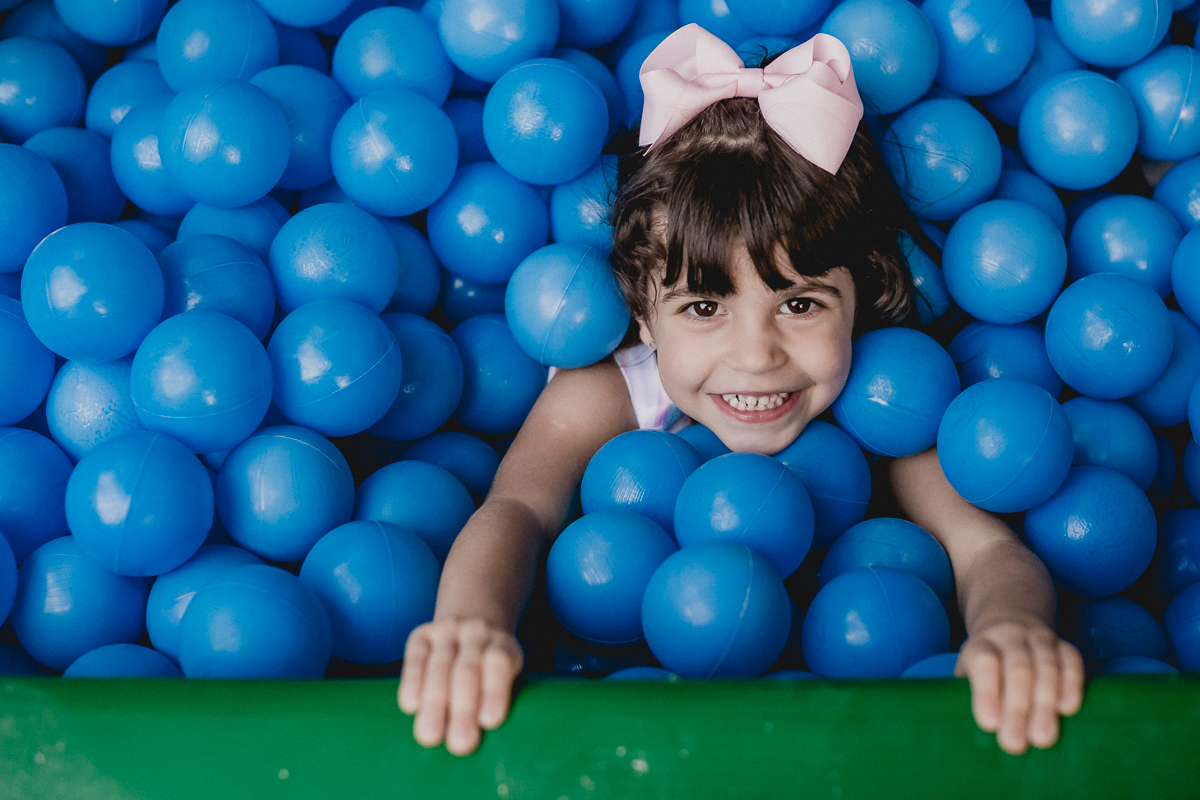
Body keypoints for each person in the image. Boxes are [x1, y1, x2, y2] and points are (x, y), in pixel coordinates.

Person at [398, 23, 1083, 758]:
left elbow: (986, 551)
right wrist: (473, 623)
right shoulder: (608, 394)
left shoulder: (884, 403)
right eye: (702, 307)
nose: (756, 356)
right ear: (642, 313)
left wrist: (1011, 630)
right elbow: (519, 510)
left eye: (800, 304)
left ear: (862, 296)